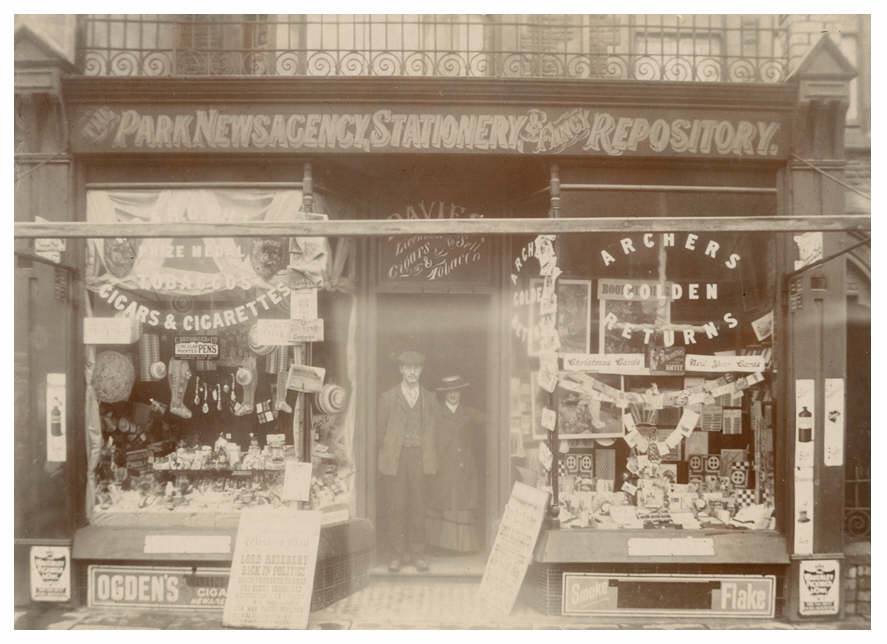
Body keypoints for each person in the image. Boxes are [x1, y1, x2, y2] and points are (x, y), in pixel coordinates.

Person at [377, 350, 438, 572]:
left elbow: (434, 431)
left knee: (418, 506)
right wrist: (390, 453)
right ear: (401, 370)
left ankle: (418, 554)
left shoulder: (429, 398)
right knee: (396, 506)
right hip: (396, 458)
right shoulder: (388, 398)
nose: (412, 372)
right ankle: (397, 554)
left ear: (421, 370)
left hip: (420, 458)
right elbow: (380, 433)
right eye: (408, 368)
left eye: (416, 368)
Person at [426, 375, 484, 553]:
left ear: (461, 393)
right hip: (443, 466)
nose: (453, 395)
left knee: (461, 503)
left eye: (456, 391)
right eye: (449, 392)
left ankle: (461, 547)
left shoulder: (468, 413)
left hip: (464, 466)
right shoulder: (436, 414)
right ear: (444, 394)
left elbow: (489, 421)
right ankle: (441, 547)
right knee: (443, 502)